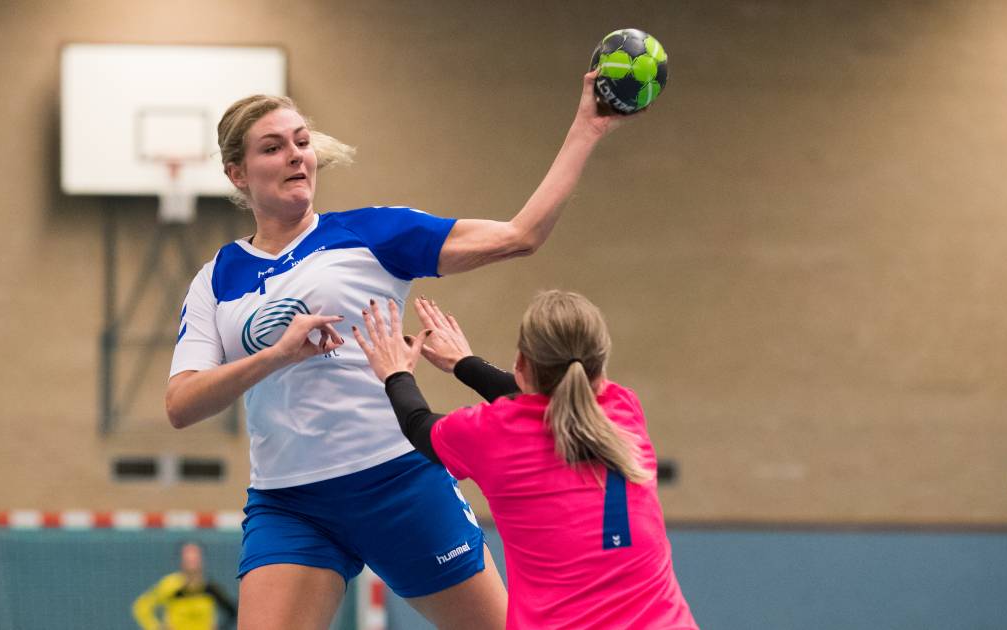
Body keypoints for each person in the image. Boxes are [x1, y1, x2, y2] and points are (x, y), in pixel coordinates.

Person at [166, 70, 632, 629]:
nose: (295, 156)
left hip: (398, 483)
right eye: (273, 147)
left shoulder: (375, 234)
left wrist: (586, 128)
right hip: (290, 504)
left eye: (302, 142)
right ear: (237, 173)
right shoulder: (217, 278)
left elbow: (520, 236)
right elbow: (181, 405)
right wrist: (277, 355)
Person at [352, 293, 699, 629]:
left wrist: (396, 373)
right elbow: (556, 396)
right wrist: (465, 365)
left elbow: (418, 426)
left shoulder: (492, 433)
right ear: (600, 368)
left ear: (520, 364)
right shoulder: (624, 408)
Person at [132, 541, 237, 630]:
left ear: (202, 559)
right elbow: (142, 607)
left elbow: (232, 612)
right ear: (181, 560)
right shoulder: (170, 586)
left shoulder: (211, 588)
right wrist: (157, 627)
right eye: (188, 556)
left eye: (195, 556)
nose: (191, 559)